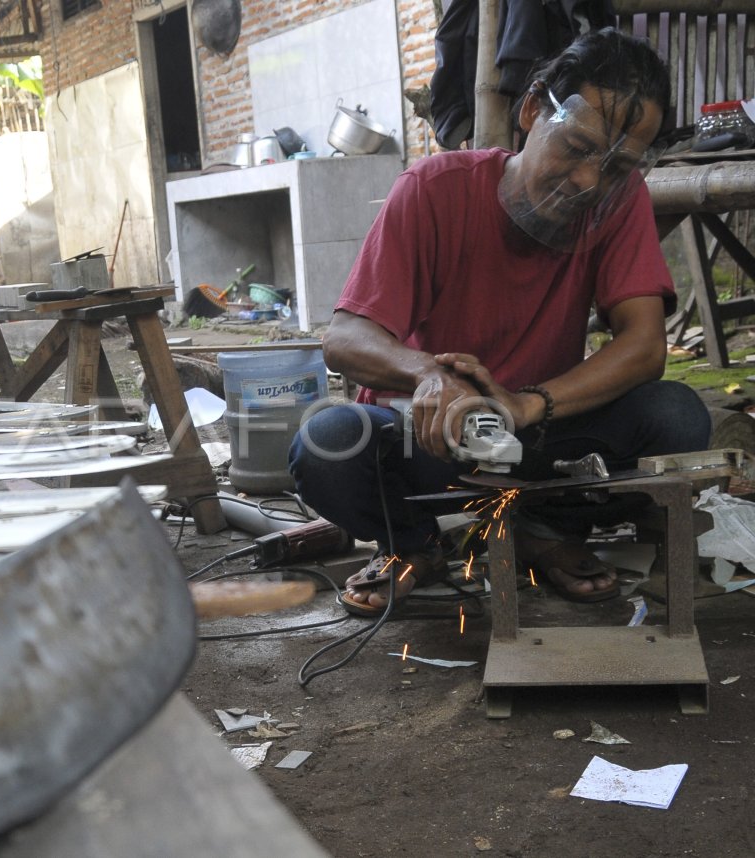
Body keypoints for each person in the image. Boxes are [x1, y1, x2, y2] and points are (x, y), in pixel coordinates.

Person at [288, 28, 711, 616]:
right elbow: (345, 338)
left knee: (677, 416)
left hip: (539, 429)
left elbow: (644, 348)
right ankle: (418, 545)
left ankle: (542, 528)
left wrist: (527, 403)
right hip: (434, 436)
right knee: (326, 442)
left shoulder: (620, 202)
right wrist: (430, 375)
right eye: (578, 147)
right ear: (534, 109)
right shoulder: (433, 188)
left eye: (616, 167)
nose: (590, 181)